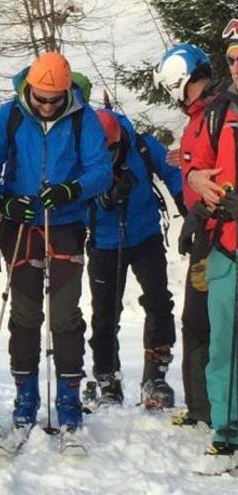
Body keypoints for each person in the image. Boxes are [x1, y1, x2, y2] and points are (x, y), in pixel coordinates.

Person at [0, 51, 110, 443]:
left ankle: (69, 396)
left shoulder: (82, 117)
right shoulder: (11, 115)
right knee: (24, 313)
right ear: (29, 88)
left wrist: (73, 188)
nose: (47, 105)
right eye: (40, 97)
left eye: (55, 99)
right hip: (21, 223)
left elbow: (100, 171)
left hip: (66, 222)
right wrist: (3, 200)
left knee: (64, 314)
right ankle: (26, 396)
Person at [85, 109, 184, 408]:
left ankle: (155, 376)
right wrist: (103, 199)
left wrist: (184, 201)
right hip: (104, 241)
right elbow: (77, 192)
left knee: (158, 302)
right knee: (104, 313)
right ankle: (107, 380)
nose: (109, 156)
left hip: (145, 236)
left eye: (113, 149)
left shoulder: (142, 145)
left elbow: (171, 171)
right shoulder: (85, 150)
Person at [178, 19, 238, 472]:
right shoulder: (220, 111)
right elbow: (196, 172)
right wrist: (199, 184)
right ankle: (226, 431)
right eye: (233, 59)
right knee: (224, 345)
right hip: (227, 246)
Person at [154, 43, 223, 428]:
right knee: (195, 320)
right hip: (203, 232)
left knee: (215, 323)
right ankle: (201, 406)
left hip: (220, 234)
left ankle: (219, 408)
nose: (173, 96)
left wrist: (198, 215)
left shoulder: (219, 113)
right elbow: (201, 163)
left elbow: (222, 174)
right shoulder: (197, 118)